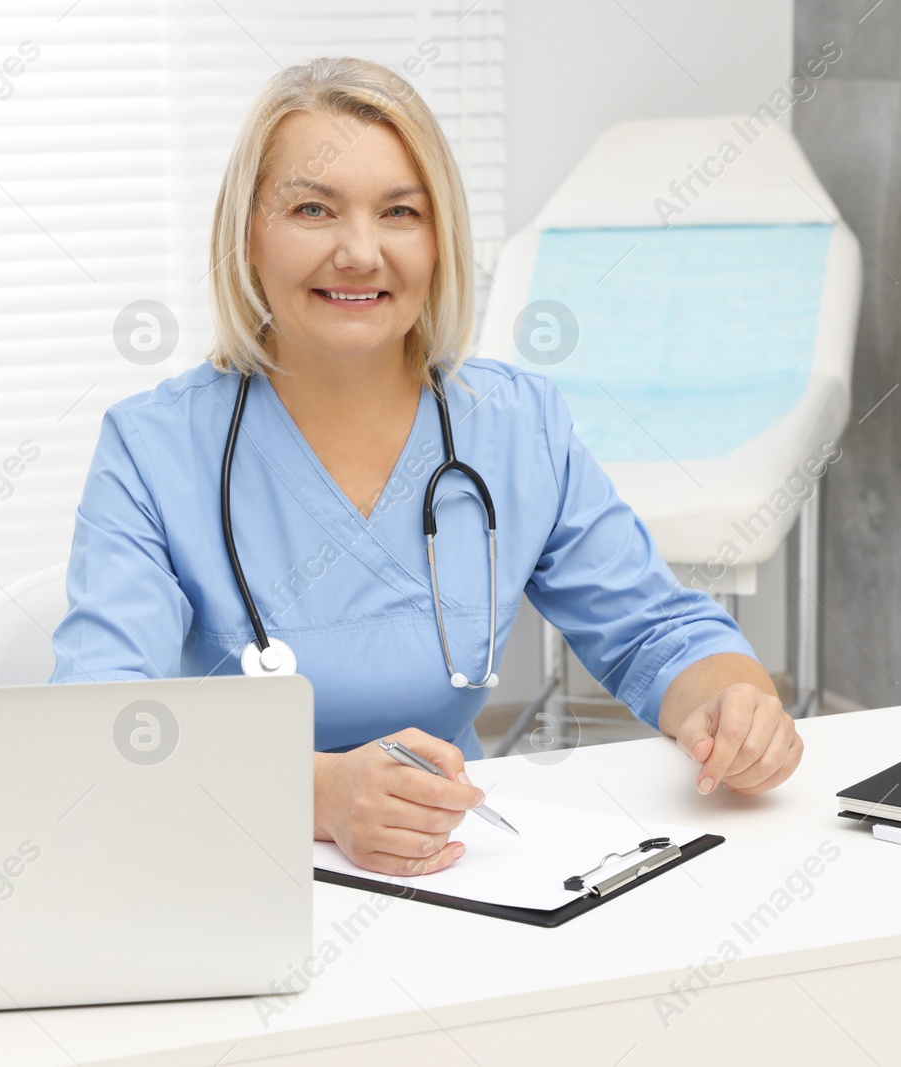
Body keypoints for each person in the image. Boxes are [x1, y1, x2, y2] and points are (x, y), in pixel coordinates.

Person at [50, 56, 802, 878]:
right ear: (247, 234)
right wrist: (320, 794)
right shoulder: (155, 449)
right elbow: (103, 722)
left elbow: (656, 631)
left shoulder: (514, 425)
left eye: (400, 212)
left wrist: (735, 704)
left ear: (439, 238)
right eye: (312, 208)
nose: (360, 252)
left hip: (457, 864)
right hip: (235, 865)